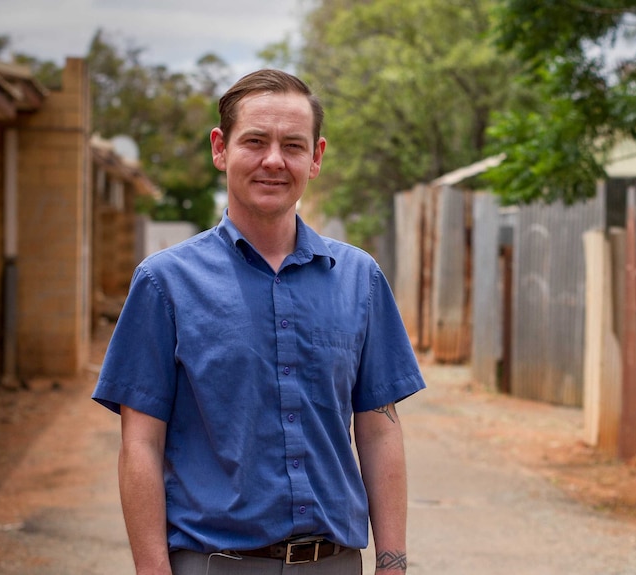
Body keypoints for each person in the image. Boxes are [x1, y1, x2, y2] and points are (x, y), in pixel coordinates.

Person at [92, 69, 426, 575]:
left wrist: (393, 563)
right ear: (220, 149)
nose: (274, 160)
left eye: (293, 145)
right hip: (211, 563)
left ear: (315, 158)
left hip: (334, 564)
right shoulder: (165, 284)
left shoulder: (361, 279)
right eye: (255, 141)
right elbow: (141, 443)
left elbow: (379, 431)